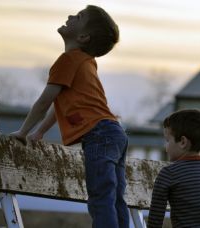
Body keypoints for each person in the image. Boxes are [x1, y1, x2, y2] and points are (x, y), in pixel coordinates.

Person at [9, 5, 128, 228]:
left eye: (79, 16)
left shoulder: (67, 61)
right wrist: (40, 132)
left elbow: (45, 102)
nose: (71, 16)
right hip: (114, 133)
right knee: (115, 199)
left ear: (83, 36)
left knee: (101, 198)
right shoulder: (86, 62)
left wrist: (23, 131)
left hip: (100, 135)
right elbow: (61, 105)